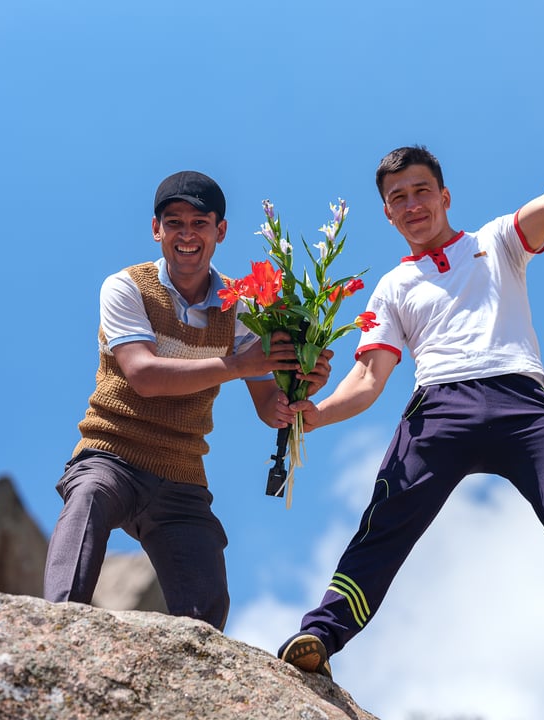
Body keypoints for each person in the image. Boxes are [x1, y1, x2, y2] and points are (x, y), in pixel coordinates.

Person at [276, 127, 544, 706]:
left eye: (422, 190)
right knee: (387, 521)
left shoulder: (498, 240)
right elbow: (369, 378)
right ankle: (319, 637)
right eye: (399, 197)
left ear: (445, 196)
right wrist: (314, 415)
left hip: (524, 405)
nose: (413, 204)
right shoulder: (392, 287)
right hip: (440, 411)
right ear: (387, 213)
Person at [44, 170, 330, 630]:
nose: (186, 234)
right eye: (173, 222)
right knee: (88, 497)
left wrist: (299, 388)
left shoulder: (240, 307)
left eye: (199, 222)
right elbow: (143, 376)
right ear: (156, 229)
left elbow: (266, 406)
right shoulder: (126, 287)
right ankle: (53, 628)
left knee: (205, 602)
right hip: (111, 453)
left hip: (181, 473)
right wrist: (239, 366)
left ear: (221, 231)